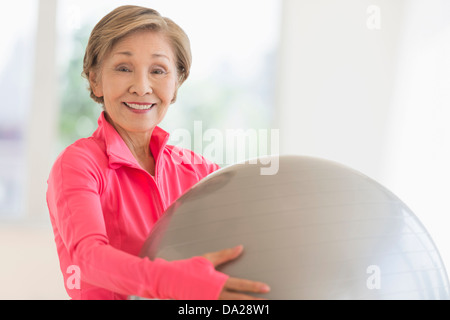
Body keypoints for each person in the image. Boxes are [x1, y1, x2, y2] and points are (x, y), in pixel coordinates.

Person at [46, 5, 270, 300]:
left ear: (176, 85)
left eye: (158, 71)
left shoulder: (203, 172)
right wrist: (172, 282)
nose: (141, 87)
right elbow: (87, 259)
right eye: (124, 68)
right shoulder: (79, 164)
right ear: (96, 80)